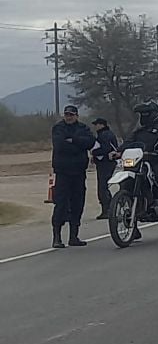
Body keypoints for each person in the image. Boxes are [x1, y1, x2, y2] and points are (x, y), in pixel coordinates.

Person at [116, 101, 158, 240]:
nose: (143, 117)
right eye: (142, 115)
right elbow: (127, 143)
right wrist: (117, 152)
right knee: (126, 184)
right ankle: (133, 224)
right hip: (138, 163)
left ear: (154, 115)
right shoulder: (137, 132)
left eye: (146, 114)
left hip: (156, 162)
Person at [50, 105, 95, 248]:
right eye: (66, 114)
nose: (68, 117)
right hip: (63, 171)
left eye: (71, 114)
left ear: (76, 115)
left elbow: (90, 142)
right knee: (61, 204)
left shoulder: (84, 128)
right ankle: (57, 237)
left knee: (77, 203)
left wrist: (73, 140)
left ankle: (74, 236)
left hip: (79, 171)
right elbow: (59, 145)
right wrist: (78, 144)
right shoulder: (58, 128)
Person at [91, 118, 119, 220]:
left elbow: (105, 149)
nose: (95, 127)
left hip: (106, 163)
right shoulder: (105, 134)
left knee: (102, 187)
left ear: (102, 125)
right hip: (106, 163)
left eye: (97, 124)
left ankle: (108, 209)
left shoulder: (105, 135)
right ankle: (108, 209)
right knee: (103, 186)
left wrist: (94, 153)